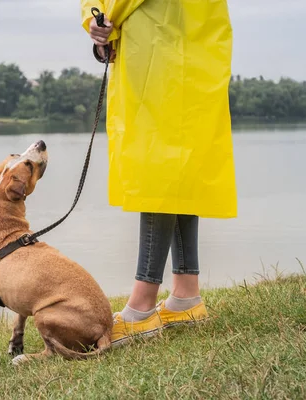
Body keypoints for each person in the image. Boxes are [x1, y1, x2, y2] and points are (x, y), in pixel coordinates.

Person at [80, 0, 237, 345]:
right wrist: (95, 24)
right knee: (175, 170)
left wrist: (111, 19)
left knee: (159, 172)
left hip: (170, 49)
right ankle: (185, 297)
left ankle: (142, 306)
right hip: (156, 51)